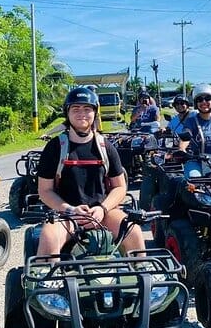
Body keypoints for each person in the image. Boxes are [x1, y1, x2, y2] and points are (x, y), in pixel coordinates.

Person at [36, 87, 145, 256]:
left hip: (103, 212)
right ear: (67, 113)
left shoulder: (105, 146)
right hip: (66, 214)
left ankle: (141, 270)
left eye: (87, 109)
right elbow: (45, 190)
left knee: (134, 231)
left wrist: (102, 209)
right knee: (49, 238)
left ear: (95, 112)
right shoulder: (55, 147)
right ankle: (47, 274)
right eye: (76, 109)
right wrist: (70, 210)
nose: (82, 114)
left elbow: (119, 187)